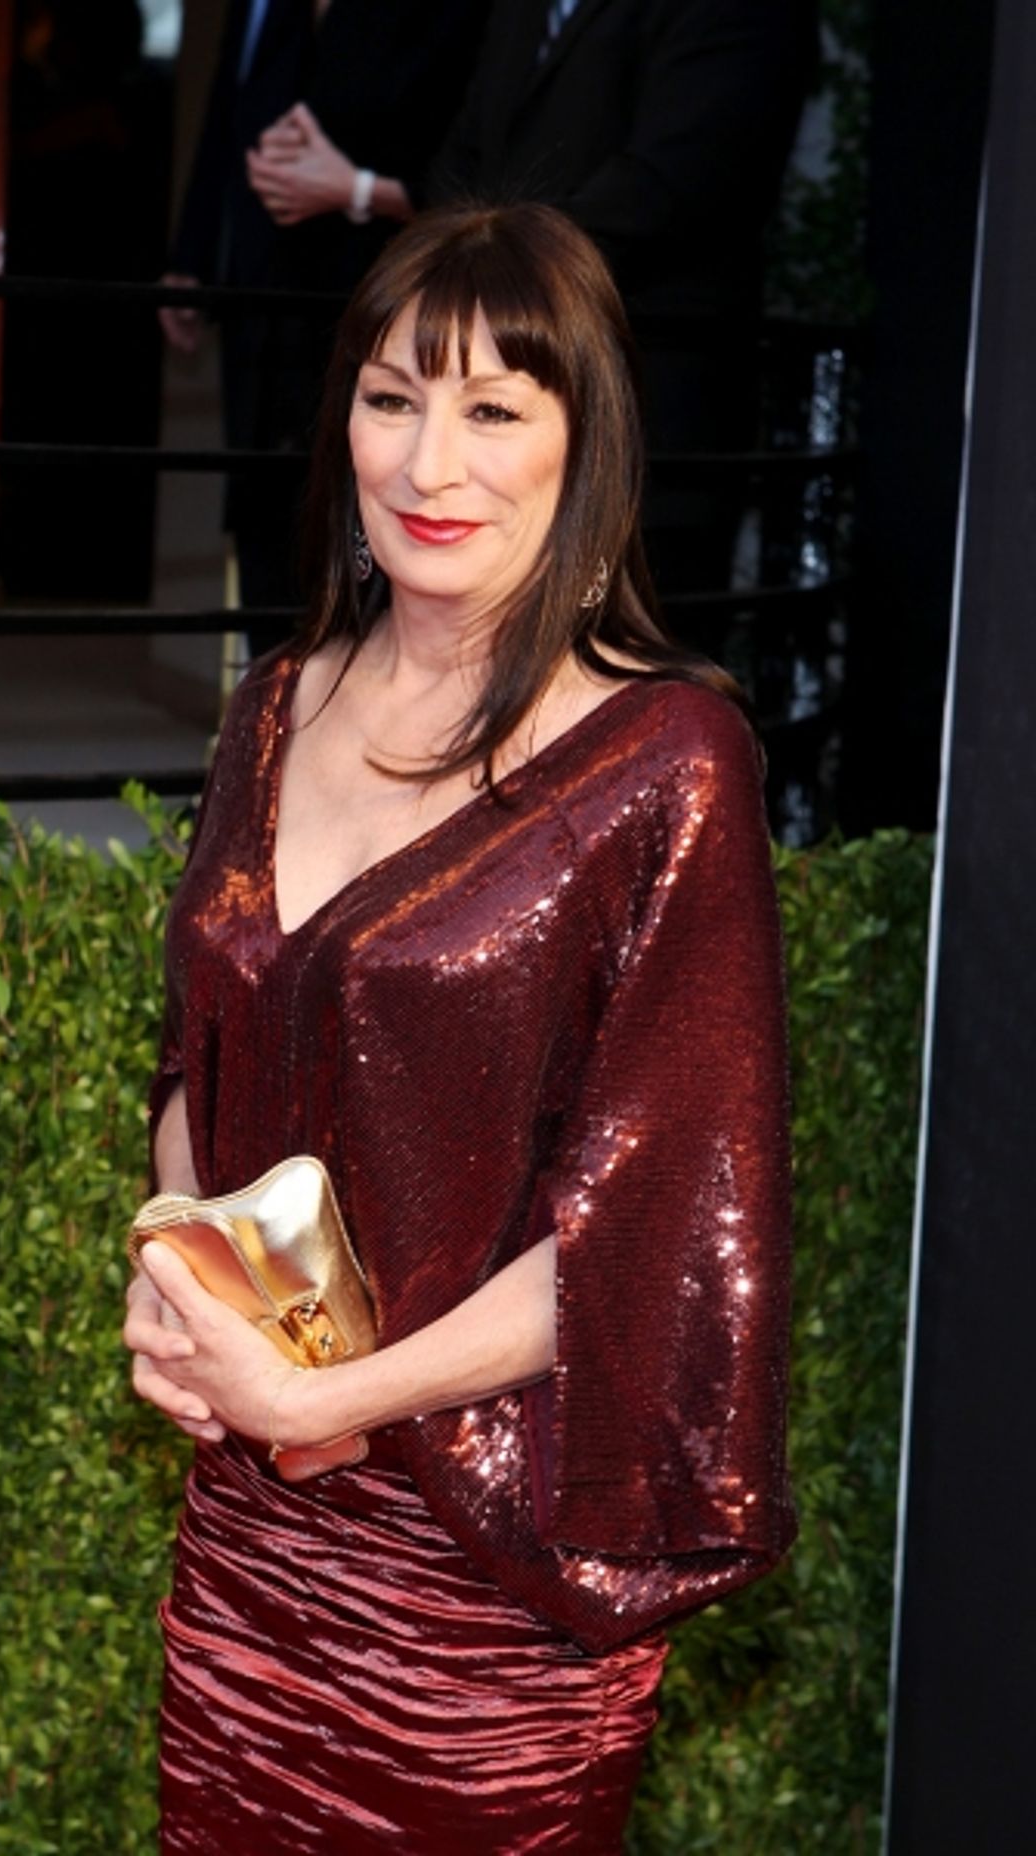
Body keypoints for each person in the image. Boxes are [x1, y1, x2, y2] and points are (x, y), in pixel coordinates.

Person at [124, 203, 795, 1854]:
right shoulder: (275, 707)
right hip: (254, 1551)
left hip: (489, 1589)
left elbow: (652, 1232)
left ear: (587, 446)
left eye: (497, 408)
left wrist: (334, 1399)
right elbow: (196, 1071)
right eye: (391, 394)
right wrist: (188, 1288)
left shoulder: (666, 763)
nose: (432, 460)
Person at [430, 0, 819, 594]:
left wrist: (497, 266)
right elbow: (460, 158)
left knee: (635, 665)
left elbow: (675, 185)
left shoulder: (745, 16)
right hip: (495, 418)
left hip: (646, 412)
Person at [158, 0, 485, 606]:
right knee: (263, 521)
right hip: (258, 300)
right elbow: (229, 116)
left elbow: (466, 147)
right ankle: (275, 695)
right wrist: (193, 257)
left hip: (371, 295)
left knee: (357, 527)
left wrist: (359, 189)